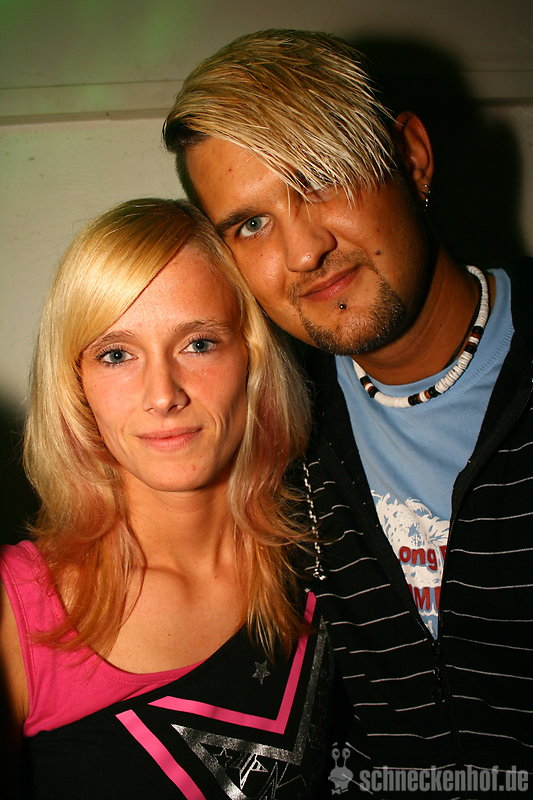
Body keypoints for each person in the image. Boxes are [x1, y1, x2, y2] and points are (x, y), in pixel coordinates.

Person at [163, 30, 533, 795]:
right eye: (251, 223)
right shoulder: (267, 425)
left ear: (412, 158)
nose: (303, 252)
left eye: (321, 178)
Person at [0, 198, 335, 799]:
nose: (162, 394)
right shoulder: (13, 610)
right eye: (116, 354)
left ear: (252, 357)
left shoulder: (337, 545)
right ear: (76, 385)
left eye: (199, 344)